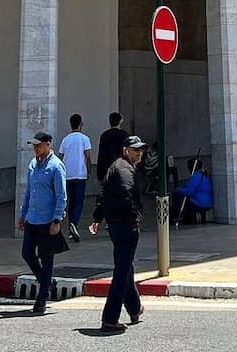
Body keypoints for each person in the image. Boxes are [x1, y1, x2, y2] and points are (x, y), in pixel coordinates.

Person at [90, 134, 147, 333]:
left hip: (116, 225)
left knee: (125, 266)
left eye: (140, 150)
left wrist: (98, 217)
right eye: (135, 150)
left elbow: (104, 195)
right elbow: (126, 193)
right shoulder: (124, 169)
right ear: (125, 150)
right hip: (125, 226)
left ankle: (134, 307)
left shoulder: (117, 166)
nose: (139, 153)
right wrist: (134, 219)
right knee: (122, 272)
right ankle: (110, 318)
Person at [17, 130, 67, 316]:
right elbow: (29, 192)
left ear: (48, 144)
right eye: (34, 146)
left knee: (47, 259)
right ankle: (46, 281)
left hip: (47, 220)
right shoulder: (33, 164)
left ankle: (42, 298)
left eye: (39, 145)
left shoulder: (56, 166)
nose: (36, 148)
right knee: (27, 253)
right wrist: (23, 214)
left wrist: (57, 219)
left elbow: (61, 195)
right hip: (32, 218)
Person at [58, 114, 92, 241]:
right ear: (81, 124)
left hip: (67, 175)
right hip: (80, 174)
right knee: (78, 201)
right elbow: (87, 157)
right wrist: (89, 171)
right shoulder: (84, 139)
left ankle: (71, 229)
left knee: (70, 201)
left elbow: (60, 156)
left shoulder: (65, 140)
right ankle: (74, 223)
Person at [171, 157, 213, 225]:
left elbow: (188, 192)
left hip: (200, 203)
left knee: (180, 198)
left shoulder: (196, 176)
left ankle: (185, 219)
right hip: (208, 202)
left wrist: (178, 189)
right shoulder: (204, 175)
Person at [96, 112, 129, 186]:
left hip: (107, 168)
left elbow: (101, 155)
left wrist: (100, 175)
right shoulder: (124, 135)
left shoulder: (104, 135)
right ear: (120, 121)